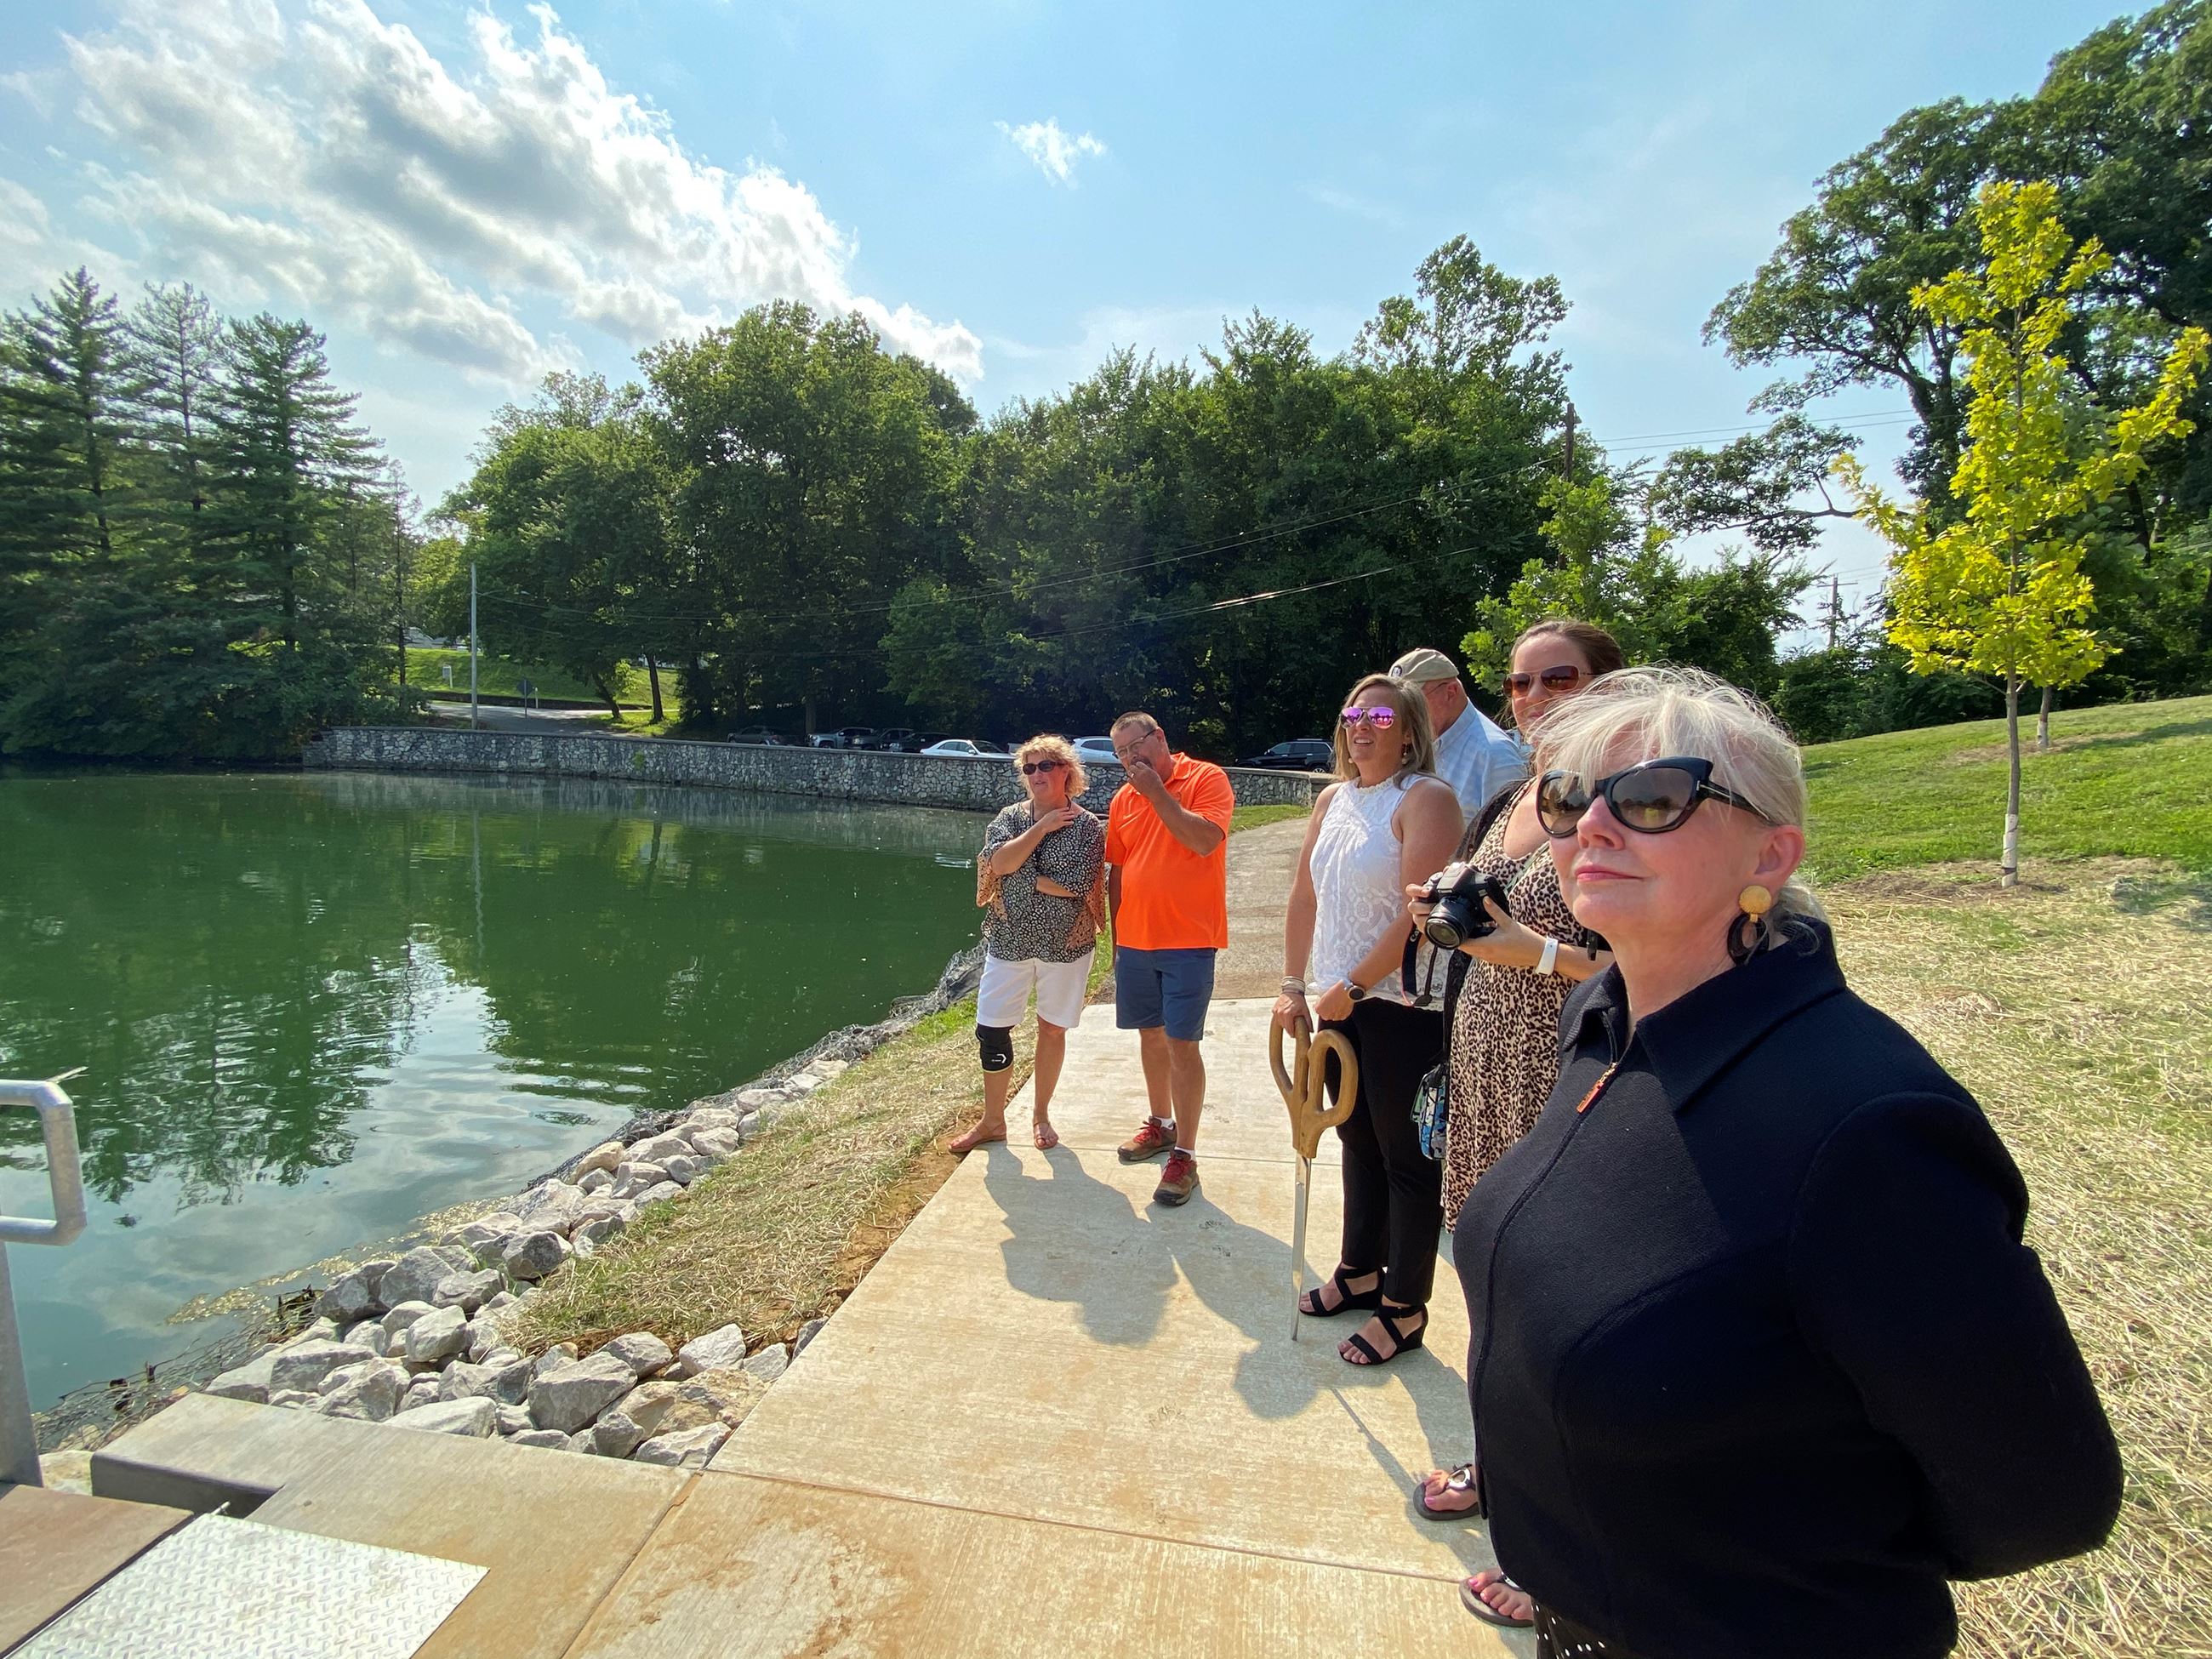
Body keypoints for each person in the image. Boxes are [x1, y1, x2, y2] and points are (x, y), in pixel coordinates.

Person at [1450, 666, 2120, 1656]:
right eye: (1568, 798)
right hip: (1582, 1620)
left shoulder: (1862, 1123)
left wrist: (1781, 1562)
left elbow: (2043, 1493)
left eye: (1652, 798)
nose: (1591, 826)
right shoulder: (1604, 1022)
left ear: (1772, 851)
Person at [1408, 619, 1625, 1559]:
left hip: (1562, 1072)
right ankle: (1500, 1463)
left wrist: (1528, 950)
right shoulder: (1512, 797)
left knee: (1559, 1301)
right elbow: (1485, 916)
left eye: (1558, 679)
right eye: (1519, 684)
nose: (1532, 699)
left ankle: (1562, 1518)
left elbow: (1643, 964)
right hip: (1481, 1062)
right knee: (1483, 1281)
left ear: (1611, 686)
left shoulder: (1625, 802)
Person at [1276, 674, 1462, 1365]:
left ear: (1409, 729)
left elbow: (1419, 914)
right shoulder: (1332, 797)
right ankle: (1359, 1270)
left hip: (1399, 1005)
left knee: (1406, 1157)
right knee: (1355, 1138)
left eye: (1379, 714)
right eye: (1353, 712)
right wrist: (1296, 985)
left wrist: (1353, 985)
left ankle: (1405, 1307)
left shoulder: (1427, 800)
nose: (1362, 724)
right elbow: (1303, 898)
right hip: (1332, 1001)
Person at [1103, 712, 1235, 1206]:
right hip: (1137, 939)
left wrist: (1157, 791)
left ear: (1158, 738)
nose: (1128, 760)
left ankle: (1186, 1155)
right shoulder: (1122, 799)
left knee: (1183, 1044)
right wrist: (1117, 941)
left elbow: (1203, 841)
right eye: (1119, 754)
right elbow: (1118, 870)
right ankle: (1160, 1124)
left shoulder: (1206, 778)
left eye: (1134, 748)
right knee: (1150, 1036)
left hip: (1188, 939)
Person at [952, 736, 1107, 1155]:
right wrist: (1040, 829)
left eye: (1047, 766)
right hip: (1009, 940)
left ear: (1067, 772)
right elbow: (996, 864)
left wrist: (1016, 873)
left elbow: (1075, 887)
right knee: (992, 1027)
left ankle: (1041, 1114)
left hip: (1065, 945)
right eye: (1030, 768)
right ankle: (993, 1121)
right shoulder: (1009, 818)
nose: (1038, 774)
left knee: (1051, 1028)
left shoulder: (1088, 827)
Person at [1388, 646, 1525, 830]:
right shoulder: (1415, 745)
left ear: (1451, 692)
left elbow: (1506, 840)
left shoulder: (1495, 754)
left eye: (1415, 701)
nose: (1405, 712)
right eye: (1400, 703)